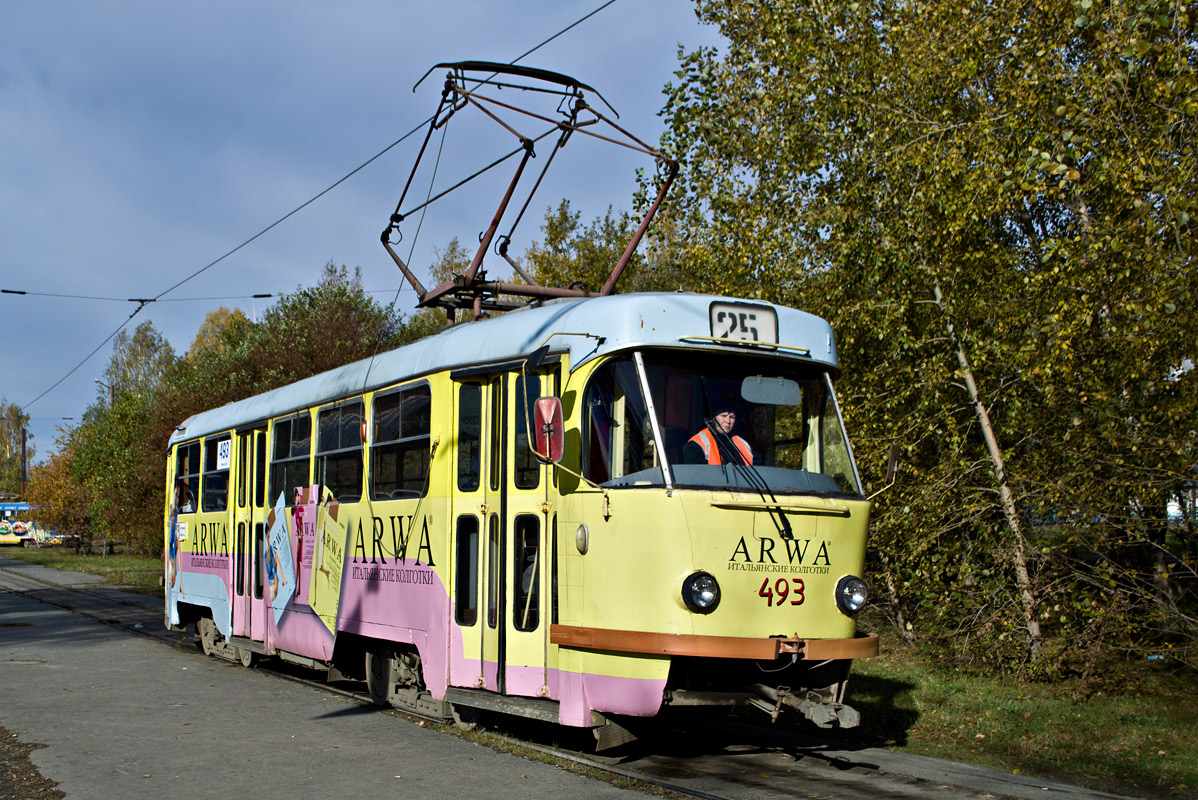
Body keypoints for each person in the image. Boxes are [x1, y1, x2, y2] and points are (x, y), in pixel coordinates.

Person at [684, 405, 753, 465]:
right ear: (713, 418)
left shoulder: (743, 444)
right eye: (723, 416)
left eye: (732, 417)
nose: (728, 421)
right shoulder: (697, 444)